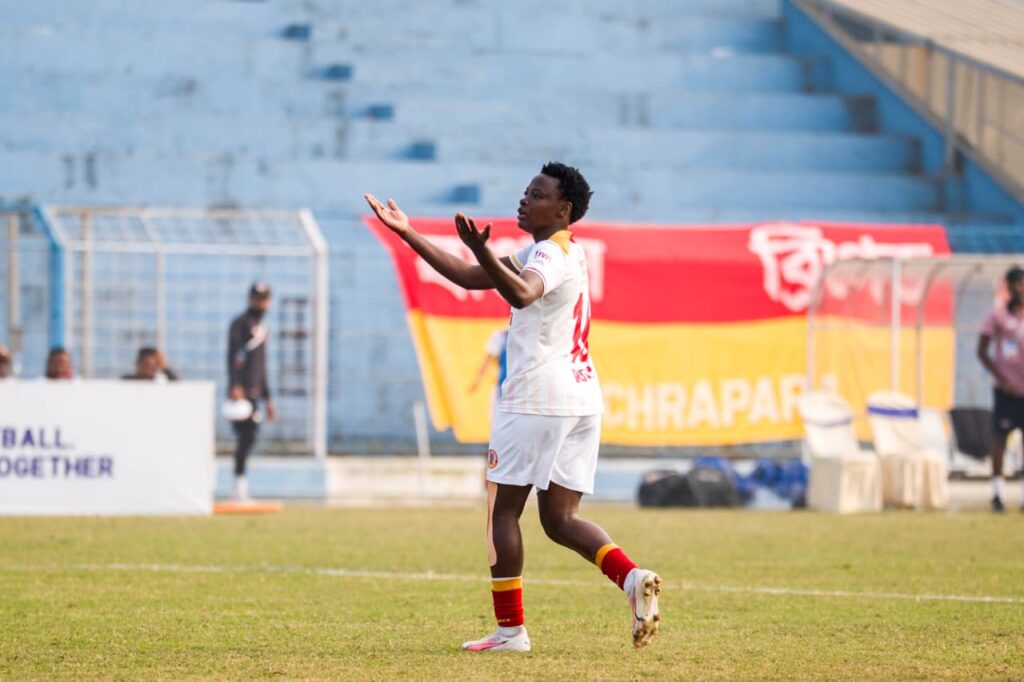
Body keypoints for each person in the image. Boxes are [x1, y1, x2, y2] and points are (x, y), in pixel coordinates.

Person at [365, 162, 661, 652]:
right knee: (559, 521)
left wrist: (482, 246)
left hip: (537, 398)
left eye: (537, 194)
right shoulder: (563, 250)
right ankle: (633, 579)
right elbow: (467, 273)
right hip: (581, 397)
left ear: (563, 209)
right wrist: (409, 233)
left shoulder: (547, 253)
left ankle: (510, 632)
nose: (524, 200)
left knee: (502, 513)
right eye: (525, 191)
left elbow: (522, 294)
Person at [977, 265, 1024, 513]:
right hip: (1006, 392)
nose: (1021, 289)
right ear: (1009, 287)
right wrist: (1002, 378)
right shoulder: (998, 316)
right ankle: (997, 494)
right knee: (1000, 443)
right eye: (1017, 284)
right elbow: (981, 351)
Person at [226, 282, 276, 501]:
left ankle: (240, 485)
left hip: (255, 392)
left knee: (250, 436)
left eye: (264, 298)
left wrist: (268, 397)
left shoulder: (261, 328)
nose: (260, 303)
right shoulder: (240, 324)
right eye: (257, 298)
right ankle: (239, 487)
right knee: (245, 436)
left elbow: (261, 366)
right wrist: (235, 384)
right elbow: (233, 356)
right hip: (241, 392)